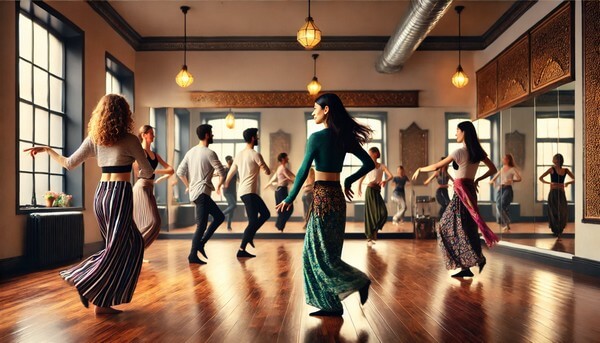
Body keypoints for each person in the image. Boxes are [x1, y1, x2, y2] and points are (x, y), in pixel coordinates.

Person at [24, 94, 153, 314]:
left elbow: (69, 164)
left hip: (101, 195)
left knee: (125, 245)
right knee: (119, 248)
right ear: (124, 114)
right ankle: (83, 280)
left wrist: (47, 149)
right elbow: (147, 172)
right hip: (119, 195)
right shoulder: (131, 140)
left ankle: (102, 304)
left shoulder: (95, 138)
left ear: (101, 114)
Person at [276, 93, 374, 317]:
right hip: (337, 197)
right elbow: (368, 163)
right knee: (328, 253)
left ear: (326, 110)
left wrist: (289, 198)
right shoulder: (344, 137)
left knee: (314, 254)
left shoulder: (317, 137)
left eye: (315, 108)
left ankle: (358, 280)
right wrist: (349, 179)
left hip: (322, 199)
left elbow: (302, 171)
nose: (313, 112)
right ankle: (332, 305)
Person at [412, 121, 499, 278]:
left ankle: (476, 259)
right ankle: (469, 265)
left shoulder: (459, 151)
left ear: (464, 132)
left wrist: (419, 169)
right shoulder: (478, 151)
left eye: (457, 131)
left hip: (461, 193)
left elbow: (437, 166)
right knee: (466, 227)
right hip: (469, 190)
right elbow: (493, 169)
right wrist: (478, 179)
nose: (455, 134)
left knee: (445, 225)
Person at [176, 124, 227, 264]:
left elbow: (180, 172)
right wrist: (219, 184)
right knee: (202, 225)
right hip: (202, 194)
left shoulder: (190, 152)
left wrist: (189, 186)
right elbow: (223, 172)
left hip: (196, 194)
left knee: (219, 217)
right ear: (206, 135)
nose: (213, 136)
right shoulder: (210, 153)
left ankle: (200, 244)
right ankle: (193, 253)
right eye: (211, 133)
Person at [225, 128, 271, 258]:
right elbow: (267, 171)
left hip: (243, 192)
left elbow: (231, 171)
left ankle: (248, 238)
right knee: (265, 214)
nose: (258, 138)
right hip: (250, 192)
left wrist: (226, 182)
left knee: (253, 220)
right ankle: (242, 247)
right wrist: (266, 169)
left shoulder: (239, 154)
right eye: (256, 136)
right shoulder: (255, 154)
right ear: (252, 138)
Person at [132, 125, 174, 251]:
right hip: (141, 187)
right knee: (152, 221)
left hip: (149, 188)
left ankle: (137, 250)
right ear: (144, 135)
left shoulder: (155, 155)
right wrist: (153, 173)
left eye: (153, 133)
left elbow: (171, 169)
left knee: (157, 223)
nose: (153, 135)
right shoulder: (139, 153)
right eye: (150, 133)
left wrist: (157, 174)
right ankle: (136, 250)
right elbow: (138, 174)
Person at [357, 147, 393, 244]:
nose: (369, 156)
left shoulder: (382, 166)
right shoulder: (368, 165)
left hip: (377, 191)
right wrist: (359, 187)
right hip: (370, 191)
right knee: (370, 214)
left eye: (370, 154)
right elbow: (362, 177)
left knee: (383, 212)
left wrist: (385, 180)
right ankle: (369, 237)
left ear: (376, 154)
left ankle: (375, 231)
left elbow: (391, 176)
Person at [538, 153, 574, 239]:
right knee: (553, 211)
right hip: (553, 192)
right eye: (556, 160)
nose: (557, 161)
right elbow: (541, 178)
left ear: (561, 161)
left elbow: (575, 178)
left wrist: (568, 183)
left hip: (561, 193)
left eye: (558, 160)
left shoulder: (566, 170)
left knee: (562, 211)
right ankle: (556, 230)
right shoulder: (551, 169)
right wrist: (550, 183)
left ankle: (560, 230)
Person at [490, 153, 522, 232]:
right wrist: (494, 183)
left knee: (502, 205)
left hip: (507, 189)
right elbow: (493, 179)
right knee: (499, 206)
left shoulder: (512, 169)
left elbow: (520, 179)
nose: (502, 159)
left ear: (508, 160)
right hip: (500, 189)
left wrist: (512, 180)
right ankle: (507, 225)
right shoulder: (502, 168)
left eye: (504, 158)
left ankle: (506, 223)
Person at [266, 152, 295, 232]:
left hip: (281, 190)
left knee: (284, 209)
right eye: (286, 157)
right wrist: (294, 181)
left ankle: (279, 226)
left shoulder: (281, 168)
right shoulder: (282, 168)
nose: (288, 158)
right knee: (286, 208)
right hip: (281, 190)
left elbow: (291, 175)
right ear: (283, 159)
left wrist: (297, 178)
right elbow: (288, 177)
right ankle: (280, 227)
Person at [222, 155, 238, 231]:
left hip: (233, 191)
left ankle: (229, 226)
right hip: (227, 191)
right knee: (233, 205)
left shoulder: (234, 170)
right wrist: (219, 186)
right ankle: (220, 215)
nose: (233, 160)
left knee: (232, 209)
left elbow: (238, 179)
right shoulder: (225, 169)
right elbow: (221, 178)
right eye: (231, 159)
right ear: (228, 161)